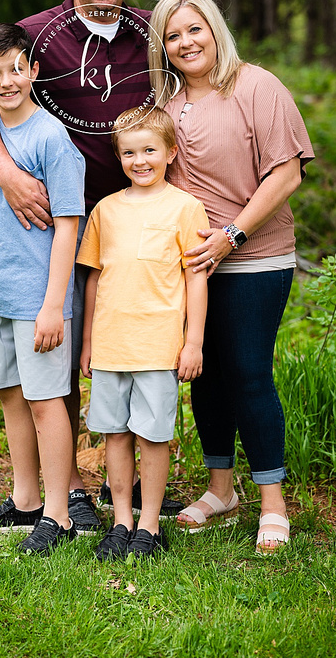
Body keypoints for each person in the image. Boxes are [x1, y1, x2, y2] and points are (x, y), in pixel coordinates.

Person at [0, 0, 183, 531]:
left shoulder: (154, 35)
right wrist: (6, 176)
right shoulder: (32, 37)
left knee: (137, 347)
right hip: (58, 222)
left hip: (141, 221)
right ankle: (66, 493)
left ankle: (129, 482)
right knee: (62, 361)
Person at [147, 0, 314, 553]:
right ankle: (221, 491)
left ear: (215, 29)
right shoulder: (164, 105)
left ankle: (273, 503)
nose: (186, 42)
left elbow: (286, 175)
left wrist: (232, 235)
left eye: (195, 29)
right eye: (173, 35)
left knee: (247, 372)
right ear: (161, 47)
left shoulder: (256, 87)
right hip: (192, 264)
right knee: (205, 373)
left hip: (254, 257)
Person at [0, 23, 84, 554]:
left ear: (33, 70)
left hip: (37, 298)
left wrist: (55, 304)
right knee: (11, 395)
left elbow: (69, 224)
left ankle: (59, 513)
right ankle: (26, 498)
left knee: (45, 401)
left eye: (15, 69)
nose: (7, 81)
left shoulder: (51, 137)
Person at [77, 107, 209, 560]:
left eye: (150, 150)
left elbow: (195, 279)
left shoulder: (186, 208)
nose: (140, 160)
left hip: (159, 345)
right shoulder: (106, 210)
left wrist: (193, 342)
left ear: (171, 152)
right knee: (115, 434)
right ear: (118, 157)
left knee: (153, 436)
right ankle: (120, 522)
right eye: (130, 152)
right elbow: (94, 279)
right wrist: (89, 343)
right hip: (112, 344)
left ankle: (149, 527)